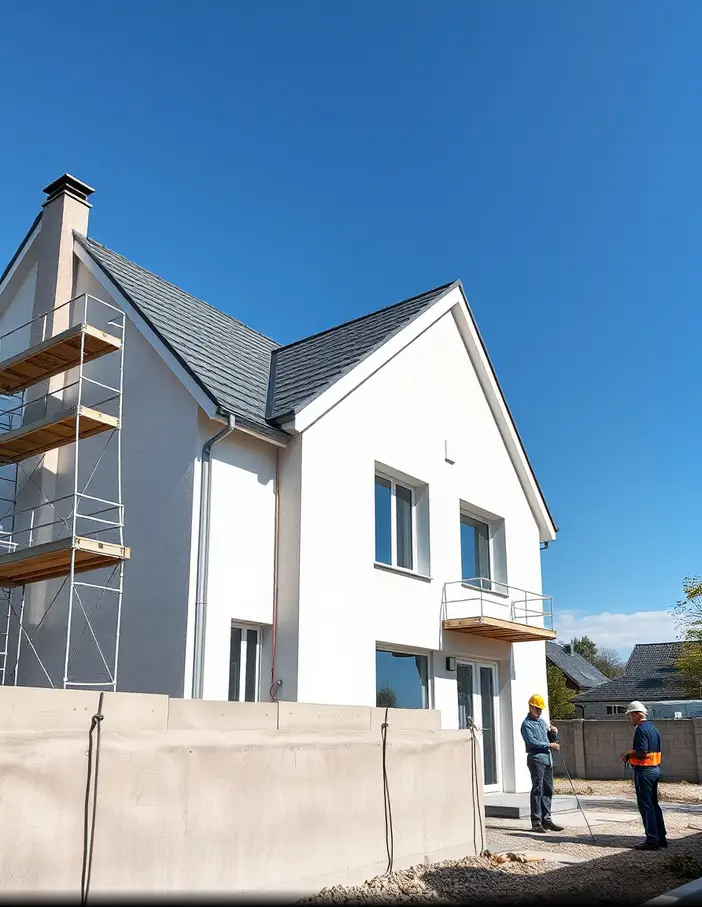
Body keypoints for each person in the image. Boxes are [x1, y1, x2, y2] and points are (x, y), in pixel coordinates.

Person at [620, 700, 667, 850]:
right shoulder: (653, 729)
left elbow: (642, 751)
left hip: (644, 771)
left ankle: (652, 840)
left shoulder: (641, 729)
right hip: (655, 769)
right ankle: (661, 838)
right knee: (654, 804)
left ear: (636, 715)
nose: (629, 719)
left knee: (646, 805)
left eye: (630, 715)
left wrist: (628, 753)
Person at [520, 693, 564, 834]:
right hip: (536, 759)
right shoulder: (526, 724)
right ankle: (536, 822)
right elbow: (532, 742)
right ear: (531, 707)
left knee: (547, 789)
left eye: (541, 709)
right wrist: (549, 745)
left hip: (547, 759)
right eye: (537, 708)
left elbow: (550, 737)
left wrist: (554, 733)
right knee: (537, 789)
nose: (539, 711)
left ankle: (547, 820)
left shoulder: (542, 722)